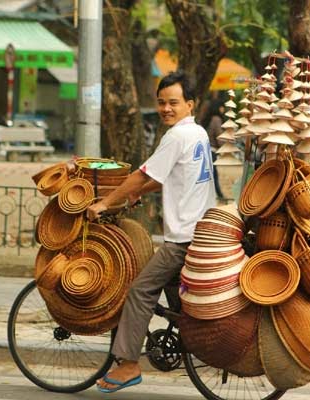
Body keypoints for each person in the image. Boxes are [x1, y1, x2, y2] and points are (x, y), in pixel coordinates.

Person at [86, 70, 217, 393]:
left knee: (140, 290)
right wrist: (139, 194)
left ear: (190, 104)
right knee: (177, 301)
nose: (166, 109)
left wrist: (106, 203)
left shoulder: (176, 136)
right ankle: (194, 343)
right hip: (203, 232)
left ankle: (128, 364)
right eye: (161, 103)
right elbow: (164, 177)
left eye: (173, 102)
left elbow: (140, 173)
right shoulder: (198, 133)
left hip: (183, 239)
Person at [205, 100, 225, 199]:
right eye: (222, 107)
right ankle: (219, 195)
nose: (223, 109)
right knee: (214, 175)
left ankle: (217, 194)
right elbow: (219, 137)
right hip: (212, 151)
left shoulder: (206, 118)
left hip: (205, 150)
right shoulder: (216, 119)